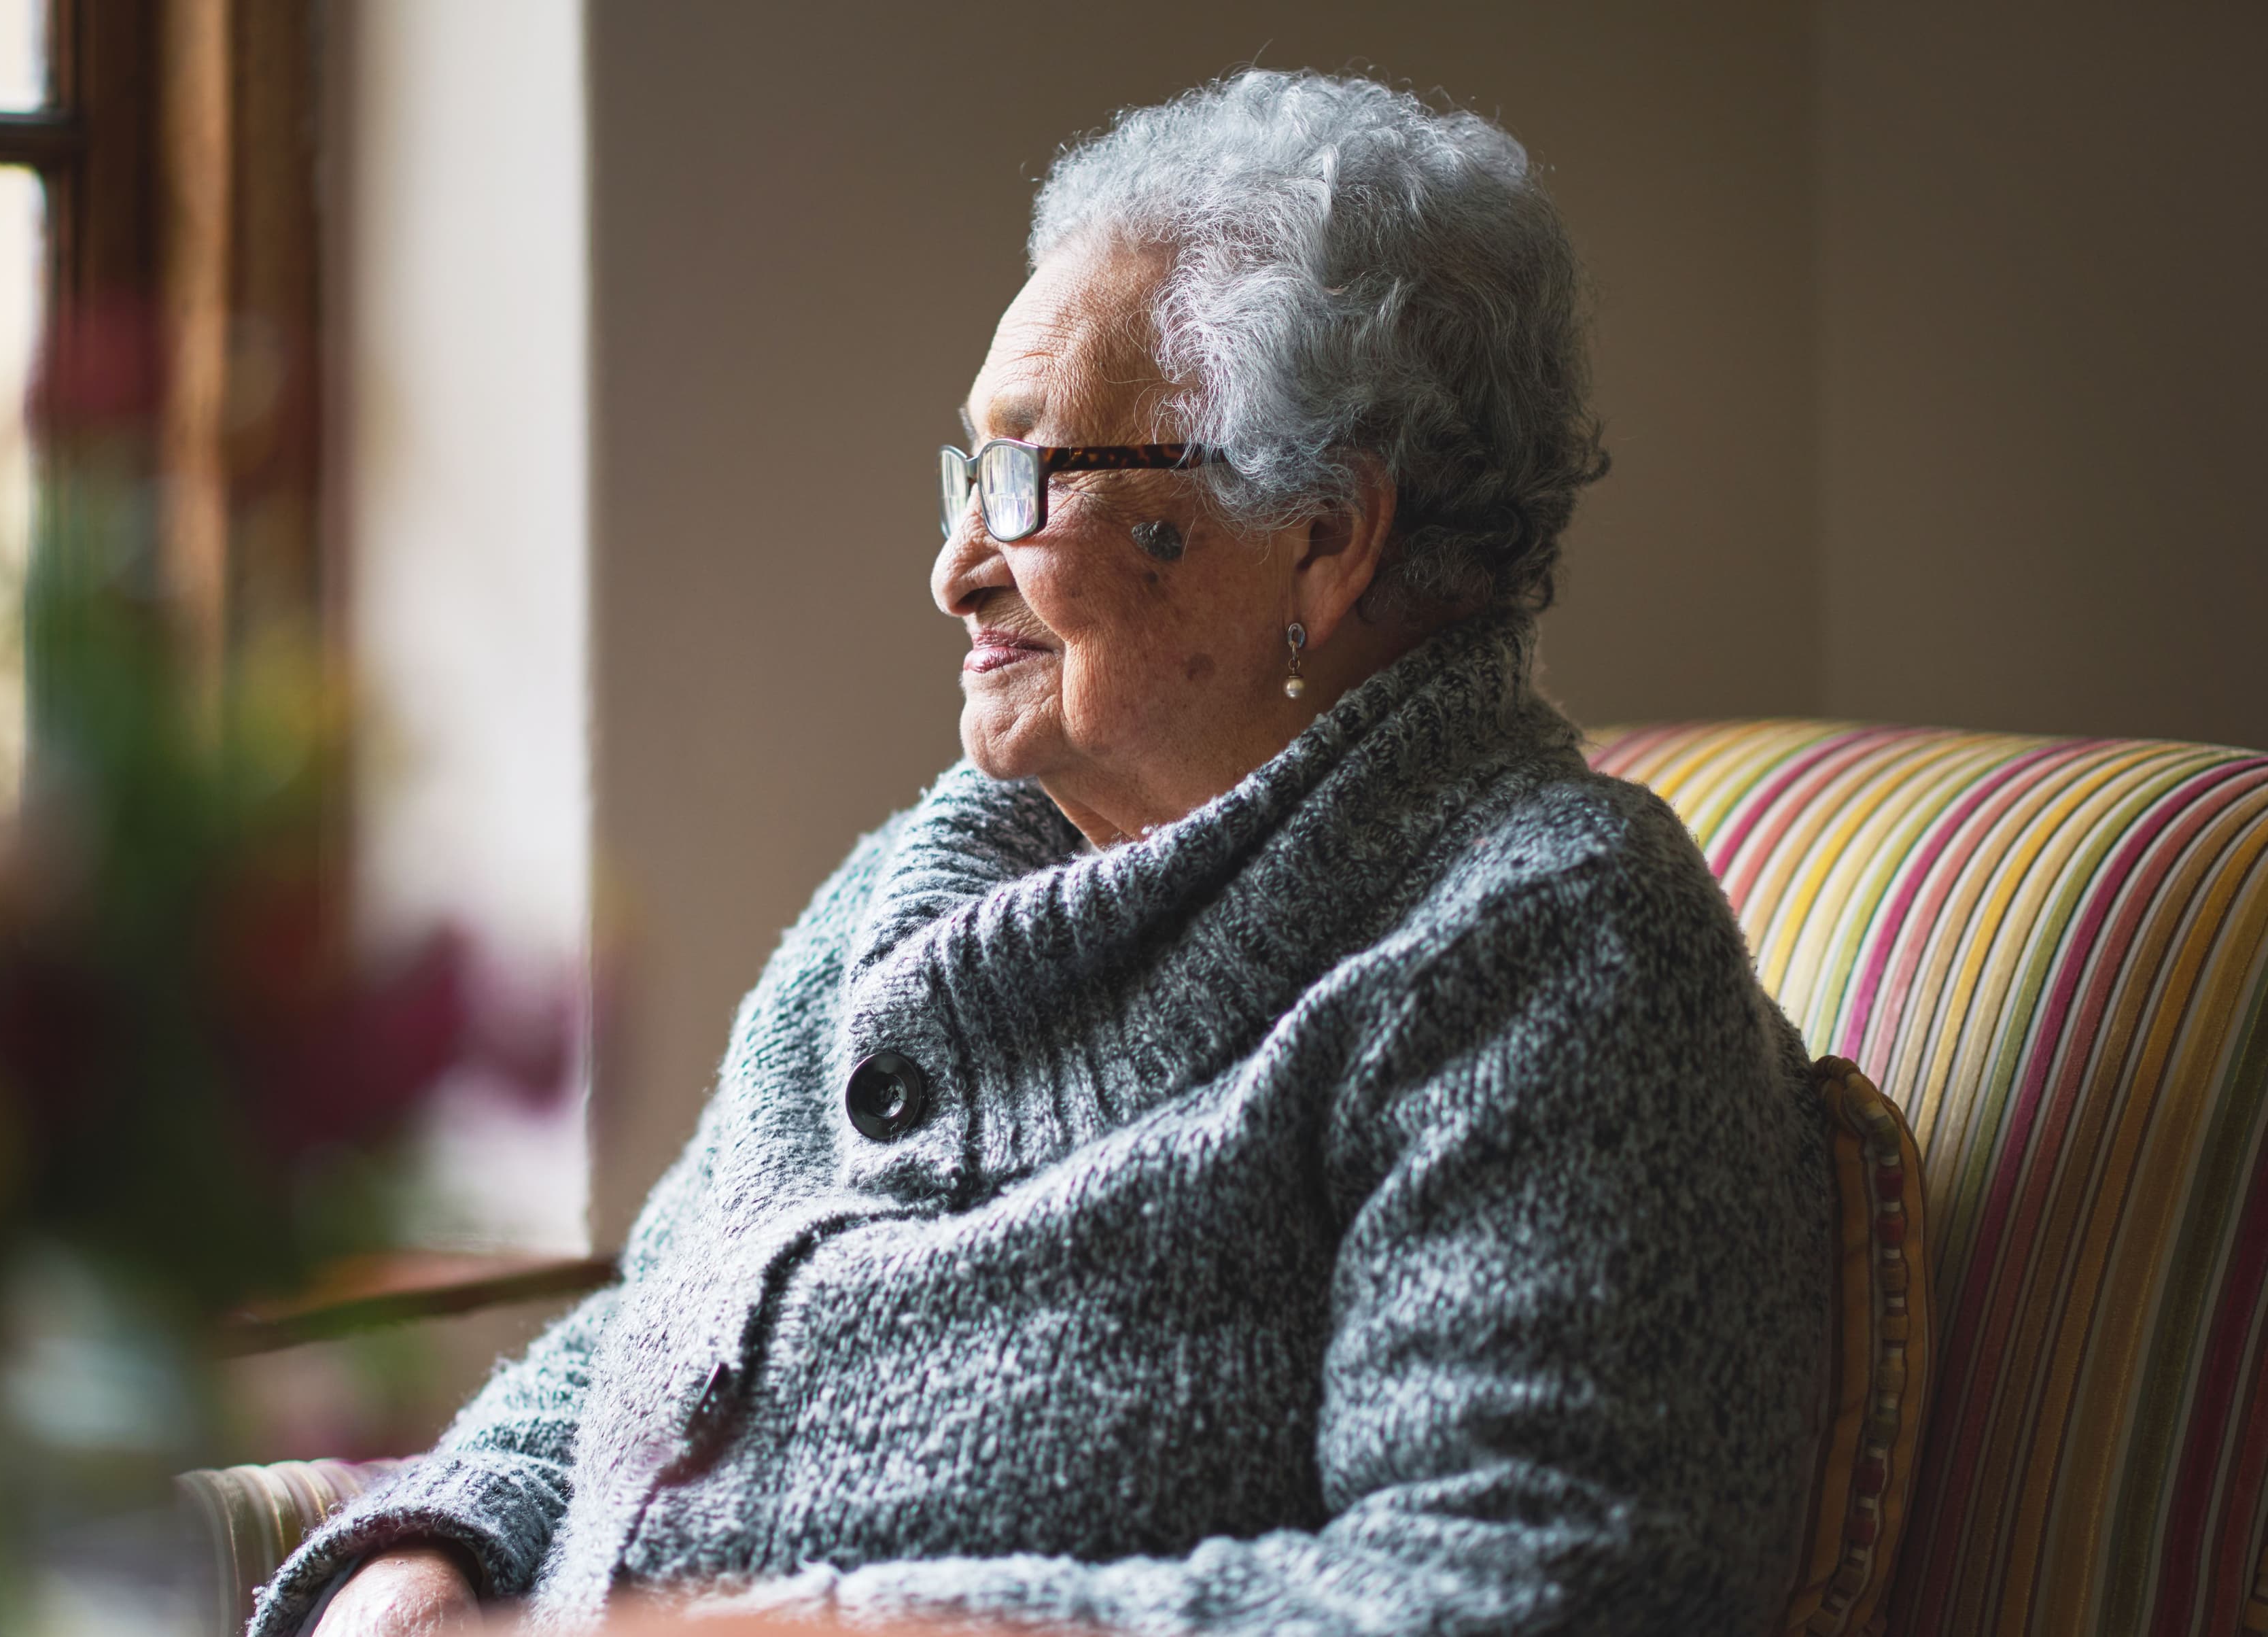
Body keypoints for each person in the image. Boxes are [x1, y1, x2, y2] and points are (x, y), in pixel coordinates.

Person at [262, 68, 1831, 1637]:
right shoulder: (899, 895)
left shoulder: (1541, 946)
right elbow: (650, 1336)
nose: (954, 570)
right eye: (967, 476)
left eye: (1027, 479)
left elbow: (1528, 1592)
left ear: (1322, 536)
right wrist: (428, 1555)